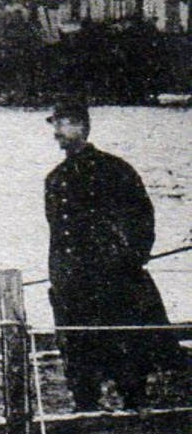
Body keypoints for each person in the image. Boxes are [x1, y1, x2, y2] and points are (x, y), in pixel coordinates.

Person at [44, 102, 177, 411]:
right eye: (55, 125)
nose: (56, 134)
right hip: (73, 286)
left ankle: (137, 416)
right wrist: (59, 278)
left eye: (62, 125)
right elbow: (58, 235)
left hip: (113, 283)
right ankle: (85, 414)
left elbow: (142, 218)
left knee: (127, 354)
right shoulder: (56, 179)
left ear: (82, 127)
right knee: (79, 357)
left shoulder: (115, 170)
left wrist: (131, 260)